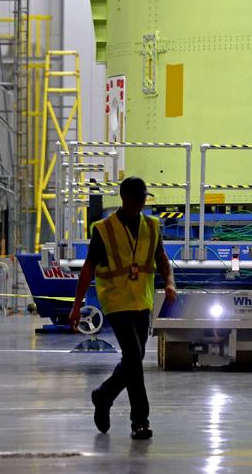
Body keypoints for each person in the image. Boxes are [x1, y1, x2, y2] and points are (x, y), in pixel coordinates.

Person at [68, 177, 176, 441]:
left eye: (144, 198)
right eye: (138, 198)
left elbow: (161, 258)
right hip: (116, 302)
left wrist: (170, 283)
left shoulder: (151, 225)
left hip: (142, 302)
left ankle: (103, 395)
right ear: (125, 198)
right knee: (133, 358)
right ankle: (140, 421)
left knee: (133, 360)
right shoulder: (104, 230)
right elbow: (88, 268)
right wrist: (76, 306)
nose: (141, 203)